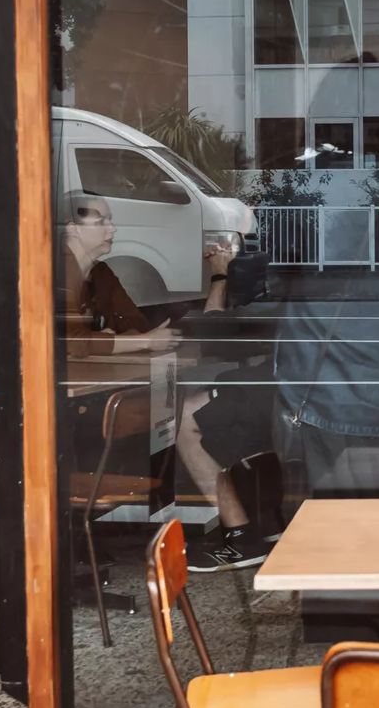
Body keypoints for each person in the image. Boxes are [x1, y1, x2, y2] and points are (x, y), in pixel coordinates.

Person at [60, 192, 271, 570]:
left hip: (107, 388)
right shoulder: (59, 274)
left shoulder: (101, 275)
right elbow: (72, 343)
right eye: (101, 221)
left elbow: (137, 327)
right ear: (72, 229)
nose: (113, 228)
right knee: (177, 413)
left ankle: (238, 529)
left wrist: (118, 340)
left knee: (177, 412)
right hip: (77, 391)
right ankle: (79, 532)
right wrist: (131, 341)